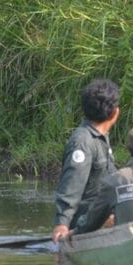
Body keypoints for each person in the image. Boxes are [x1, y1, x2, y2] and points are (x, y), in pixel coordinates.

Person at [52, 79, 120, 244]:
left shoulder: (101, 138)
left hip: (103, 219)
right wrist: (62, 224)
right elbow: (71, 186)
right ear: (115, 113)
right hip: (85, 226)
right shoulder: (83, 142)